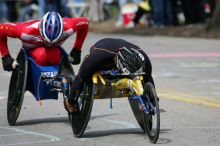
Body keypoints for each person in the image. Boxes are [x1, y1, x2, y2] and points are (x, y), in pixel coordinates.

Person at [64, 38, 155, 113]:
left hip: (129, 49)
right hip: (103, 47)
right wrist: (71, 100)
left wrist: (153, 99)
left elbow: (148, 76)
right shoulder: (99, 56)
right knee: (85, 72)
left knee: (146, 73)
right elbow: (80, 77)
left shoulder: (144, 59)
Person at [0, 11, 89, 70]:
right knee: (41, 55)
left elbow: (85, 22)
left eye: (54, 40)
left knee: (55, 56)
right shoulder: (24, 31)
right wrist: (5, 56)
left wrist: (77, 49)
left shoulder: (69, 27)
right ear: (40, 31)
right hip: (33, 49)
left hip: (54, 49)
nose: (49, 44)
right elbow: (1, 29)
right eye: (46, 40)